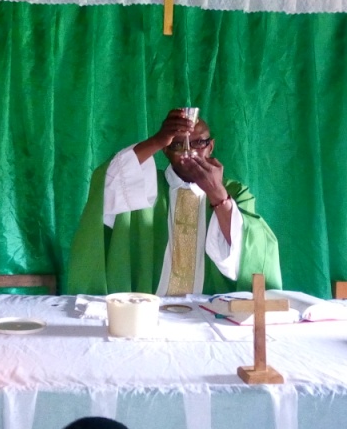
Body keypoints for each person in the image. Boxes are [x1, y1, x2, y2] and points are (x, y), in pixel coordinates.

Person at [67, 108, 282, 296]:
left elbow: (248, 250)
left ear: (211, 146)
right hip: (148, 307)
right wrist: (157, 139)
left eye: (199, 142)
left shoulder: (234, 192)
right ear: (165, 149)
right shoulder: (143, 187)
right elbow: (107, 183)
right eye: (178, 144)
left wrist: (216, 192)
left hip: (208, 310)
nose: (190, 151)